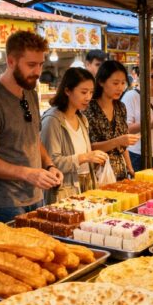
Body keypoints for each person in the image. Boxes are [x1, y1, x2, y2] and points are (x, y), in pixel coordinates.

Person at [0, 31, 63, 226]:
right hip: (5, 203)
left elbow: (33, 138)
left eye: (40, 64)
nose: (38, 72)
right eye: (31, 65)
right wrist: (28, 173)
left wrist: (49, 165)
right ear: (11, 61)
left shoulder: (30, 91)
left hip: (36, 196)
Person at [40, 68, 107, 204]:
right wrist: (85, 157)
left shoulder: (82, 119)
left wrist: (94, 160)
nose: (88, 97)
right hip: (64, 191)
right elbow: (51, 162)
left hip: (86, 186)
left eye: (91, 92)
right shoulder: (52, 120)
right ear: (67, 91)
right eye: (83, 92)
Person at [85, 60, 138, 180]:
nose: (120, 88)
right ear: (101, 82)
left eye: (123, 83)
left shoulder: (120, 107)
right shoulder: (89, 108)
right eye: (115, 83)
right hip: (99, 173)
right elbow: (89, 147)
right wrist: (118, 141)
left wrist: (130, 168)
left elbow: (123, 146)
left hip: (121, 173)